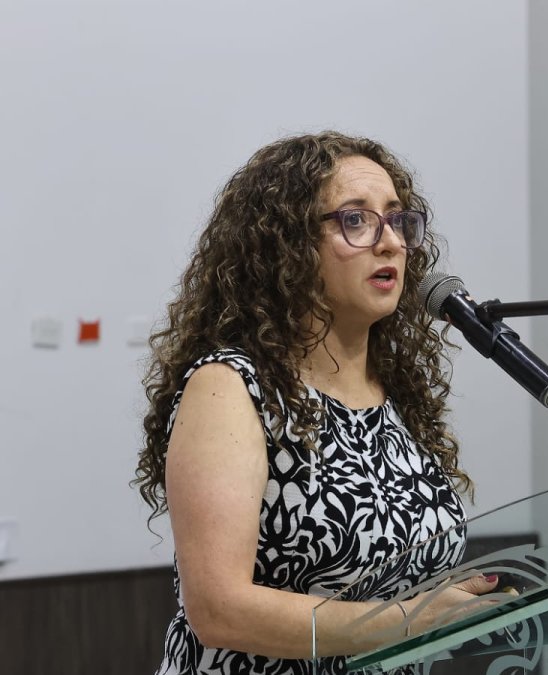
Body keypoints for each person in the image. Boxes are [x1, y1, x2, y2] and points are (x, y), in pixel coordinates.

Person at [132, 132, 498, 675]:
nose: (391, 242)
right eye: (356, 220)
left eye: (398, 220)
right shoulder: (231, 387)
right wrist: (407, 619)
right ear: (287, 246)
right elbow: (217, 609)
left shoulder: (394, 392)